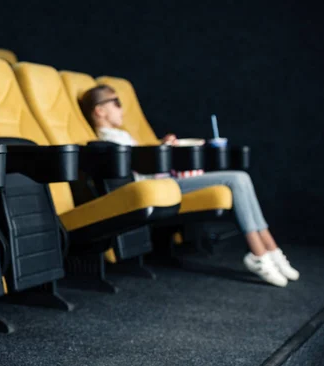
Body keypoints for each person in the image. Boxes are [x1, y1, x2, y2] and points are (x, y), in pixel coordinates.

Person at [79, 84, 299, 287]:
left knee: (241, 179)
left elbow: (144, 160)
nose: (122, 110)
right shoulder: (108, 140)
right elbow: (136, 168)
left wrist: (162, 146)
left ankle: (271, 250)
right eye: (116, 103)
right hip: (160, 186)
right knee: (237, 178)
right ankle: (259, 254)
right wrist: (159, 152)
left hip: (163, 180)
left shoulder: (121, 134)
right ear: (100, 110)